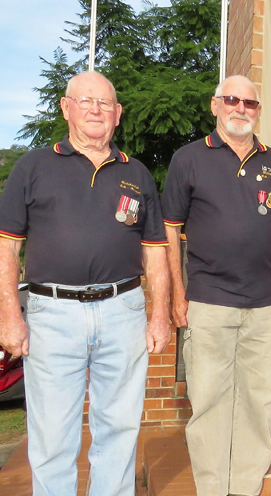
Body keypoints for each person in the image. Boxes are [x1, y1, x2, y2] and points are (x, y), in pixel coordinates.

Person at [0, 71, 171, 496]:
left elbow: (155, 252)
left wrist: (160, 316)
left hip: (123, 312)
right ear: (66, 108)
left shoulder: (137, 174)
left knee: (119, 430)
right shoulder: (33, 166)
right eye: (85, 101)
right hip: (52, 315)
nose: (96, 109)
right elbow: (7, 248)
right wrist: (8, 316)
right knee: (53, 437)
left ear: (118, 114)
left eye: (104, 103)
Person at [162, 74, 271, 496]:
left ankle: (245, 489)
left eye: (250, 102)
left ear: (258, 110)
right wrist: (176, 294)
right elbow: (169, 230)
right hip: (208, 304)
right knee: (209, 403)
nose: (240, 108)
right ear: (215, 105)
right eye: (231, 100)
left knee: (259, 405)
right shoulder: (189, 159)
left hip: (265, 308)